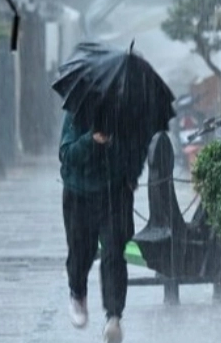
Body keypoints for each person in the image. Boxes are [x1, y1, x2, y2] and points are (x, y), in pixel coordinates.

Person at [58, 108, 150, 343]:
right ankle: (77, 291)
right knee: (81, 251)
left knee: (113, 253)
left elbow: (137, 151)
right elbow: (66, 154)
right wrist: (92, 141)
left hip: (115, 195)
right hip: (79, 195)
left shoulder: (126, 113)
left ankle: (114, 316)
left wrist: (130, 173)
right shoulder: (77, 112)